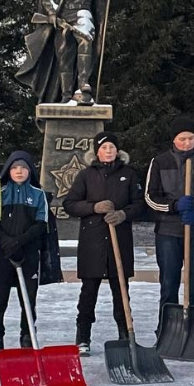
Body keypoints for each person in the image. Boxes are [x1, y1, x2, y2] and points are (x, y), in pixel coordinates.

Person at [144, 116, 194, 354]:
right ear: (174, 139)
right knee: (169, 283)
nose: (187, 142)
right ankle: (166, 330)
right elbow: (150, 197)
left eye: (191, 138)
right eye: (182, 138)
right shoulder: (159, 162)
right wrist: (173, 206)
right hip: (168, 232)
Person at [0, 151, 62, 361]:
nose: (19, 171)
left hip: (28, 254)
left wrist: (20, 242)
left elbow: (42, 224)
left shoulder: (38, 195)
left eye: (23, 167)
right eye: (15, 168)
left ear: (30, 170)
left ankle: (27, 338)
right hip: (2, 256)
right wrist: (6, 242)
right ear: (8, 171)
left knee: (28, 301)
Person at [62, 131, 145, 355]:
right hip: (93, 242)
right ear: (96, 151)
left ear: (118, 151)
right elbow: (69, 204)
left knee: (121, 292)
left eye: (112, 147)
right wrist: (93, 208)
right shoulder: (86, 175)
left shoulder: (128, 174)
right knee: (89, 292)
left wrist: (123, 214)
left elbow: (139, 204)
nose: (108, 151)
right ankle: (83, 337)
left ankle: (125, 333)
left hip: (120, 240)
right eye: (104, 147)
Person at [16, 0, 108, 105]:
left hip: (82, 13)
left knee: (86, 39)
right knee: (64, 55)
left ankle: (83, 85)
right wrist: (52, 13)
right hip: (63, 16)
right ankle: (66, 94)